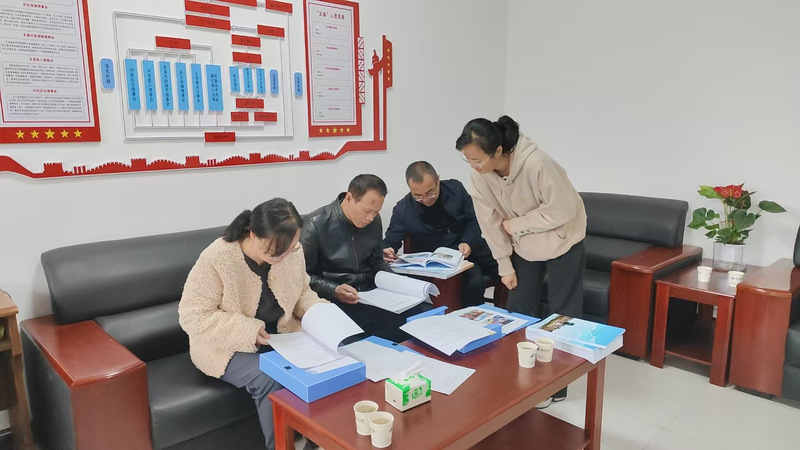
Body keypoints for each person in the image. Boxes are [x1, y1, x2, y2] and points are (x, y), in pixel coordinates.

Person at [456, 115, 587, 406]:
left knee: (562, 316)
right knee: (518, 309)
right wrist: (504, 265)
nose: (474, 166)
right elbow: (490, 223)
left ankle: (557, 385)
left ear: (498, 151)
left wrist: (517, 225)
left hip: (564, 239)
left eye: (477, 159)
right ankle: (522, 379)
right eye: (468, 160)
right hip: (525, 246)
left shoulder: (537, 163)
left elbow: (563, 210)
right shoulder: (480, 176)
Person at [179, 198, 325, 450]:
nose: (285, 256)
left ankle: (317, 443)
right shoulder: (218, 258)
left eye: (290, 249)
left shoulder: (292, 251)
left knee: (325, 364)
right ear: (253, 234)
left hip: (281, 336)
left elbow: (302, 292)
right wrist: (246, 331)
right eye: (276, 251)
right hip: (225, 347)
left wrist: (318, 311)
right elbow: (192, 315)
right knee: (270, 377)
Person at [301, 174, 428, 342]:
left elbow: (377, 262)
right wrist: (334, 289)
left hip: (370, 295)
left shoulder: (373, 221)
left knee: (421, 313)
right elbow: (303, 277)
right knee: (381, 330)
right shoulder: (315, 224)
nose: (370, 218)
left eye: (376, 212)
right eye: (367, 211)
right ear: (349, 198)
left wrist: (399, 285)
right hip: (336, 299)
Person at [382, 161, 499, 306]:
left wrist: (467, 242)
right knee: (473, 279)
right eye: (418, 195)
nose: (426, 200)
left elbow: (474, 218)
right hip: (439, 262)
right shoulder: (403, 209)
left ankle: (510, 310)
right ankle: (471, 316)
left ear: (437, 180)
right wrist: (386, 250)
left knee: (507, 268)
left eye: (430, 193)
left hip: (469, 247)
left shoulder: (455, 189)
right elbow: (392, 238)